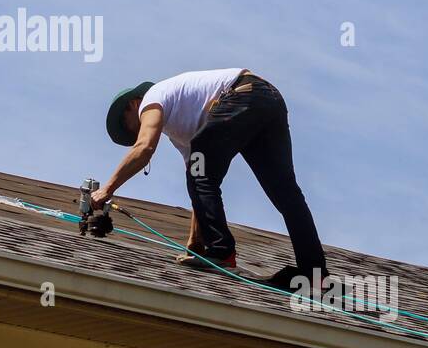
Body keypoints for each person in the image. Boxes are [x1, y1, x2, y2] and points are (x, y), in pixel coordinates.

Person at [94, 69, 328, 284]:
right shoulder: (184, 128)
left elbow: (144, 148)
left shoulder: (152, 98)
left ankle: (222, 251)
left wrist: (107, 189)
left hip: (243, 94)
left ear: (134, 104)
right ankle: (314, 272)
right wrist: (195, 244)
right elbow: (199, 183)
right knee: (286, 193)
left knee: (202, 174)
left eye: (128, 126)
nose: (134, 134)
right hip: (268, 101)